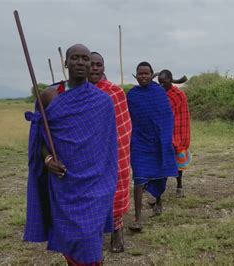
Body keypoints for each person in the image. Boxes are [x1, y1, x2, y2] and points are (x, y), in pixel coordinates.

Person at [23, 44, 118, 265]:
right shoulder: (49, 95)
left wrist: (109, 181)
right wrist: (48, 160)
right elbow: (40, 140)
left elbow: (108, 148)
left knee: (90, 241)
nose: (81, 63)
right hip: (64, 183)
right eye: (75, 58)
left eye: (85, 59)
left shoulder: (102, 102)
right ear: (65, 63)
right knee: (72, 240)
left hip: (95, 185)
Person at [88, 51, 132, 253]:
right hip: (86, 154)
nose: (95, 68)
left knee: (114, 190)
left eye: (99, 64)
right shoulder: (74, 93)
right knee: (89, 194)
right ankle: (92, 233)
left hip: (113, 152)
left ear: (104, 67)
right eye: (91, 64)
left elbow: (123, 127)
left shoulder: (115, 92)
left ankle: (117, 231)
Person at [127, 62, 178, 231]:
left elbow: (166, 117)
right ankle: (138, 218)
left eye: (146, 73)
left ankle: (158, 201)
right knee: (139, 178)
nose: (143, 76)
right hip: (139, 143)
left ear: (151, 75)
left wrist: (165, 139)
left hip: (158, 141)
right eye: (140, 73)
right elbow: (127, 119)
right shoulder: (132, 95)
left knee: (159, 174)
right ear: (136, 75)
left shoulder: (158, 92)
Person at [157, 70, 191, 197]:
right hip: (163, 131)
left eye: (164, 82)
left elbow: (180, 116)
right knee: (160, 161)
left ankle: (179, 186)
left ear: (170, 80)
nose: (161, 85)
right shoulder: (159, 94)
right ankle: (157, 188)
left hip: (177, 131)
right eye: (159, 83)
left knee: (178, 162)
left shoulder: (179, 95)